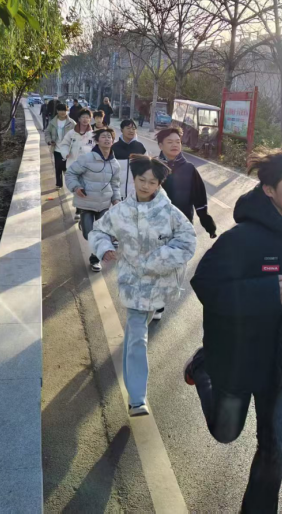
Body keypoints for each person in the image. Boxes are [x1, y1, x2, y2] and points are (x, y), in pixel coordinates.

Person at [185, 145, 282, 513]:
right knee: (226, 432)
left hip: (281, 362)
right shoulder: (241, 239)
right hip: (237, 359)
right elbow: (204, 284)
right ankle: (202, 367)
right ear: (270, 189)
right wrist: (263, 292)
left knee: (275, 449)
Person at [89, 155, 196, 416]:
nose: (146, 186)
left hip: (159, 284)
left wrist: (155, 261)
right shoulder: (121, 211)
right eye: (141, 180)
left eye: (152, 182)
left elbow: (188, 242)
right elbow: (98, 231)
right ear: (134, 179)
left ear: (159, 184)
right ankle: (137, 399)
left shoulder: (170, 213)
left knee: (136, 332)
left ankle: (135, 391)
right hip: (132, 282)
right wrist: (104, 248)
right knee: (137, 335)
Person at [153, 126, 216, 322]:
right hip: (156, 225)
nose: (175, 145)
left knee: (174, 266)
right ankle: (157, 301)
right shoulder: (152, 167)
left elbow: (200, 199)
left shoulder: (189, 169)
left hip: (182, 226)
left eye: (178, 142)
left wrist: (207, 223)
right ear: (160, 145)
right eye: (170, 142)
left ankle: (162, 293)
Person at [65, 127, 121, 271]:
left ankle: (95, 259)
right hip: (86, 203)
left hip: (104, 205)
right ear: (97, 141)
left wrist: (116, 200)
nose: (107, 139)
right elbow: (71, 173)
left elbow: (115, 184)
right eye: (103, 137)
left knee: (101, 235)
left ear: (113, 141)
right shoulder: (86, 158)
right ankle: (84, 225)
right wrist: (76, 187)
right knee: (88, 234)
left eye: (109, 137)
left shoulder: (115, 164)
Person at [59, 109, 95, 221]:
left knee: (86, 187)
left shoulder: (93, 135)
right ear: (79, 119)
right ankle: (79, 209)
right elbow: (64, 145)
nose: (85, 119)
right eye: (83, 117)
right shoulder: (71, 133)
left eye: (87, 117)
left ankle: (82, 210)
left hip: (88, 166)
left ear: (90, 119)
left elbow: (97, 148)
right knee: (77, 187)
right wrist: (65, 153)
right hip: (73, 165)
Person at [112, 119, 147, 200]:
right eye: (128, 128)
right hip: (117, 194)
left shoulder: (140, 147)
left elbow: (147, 169)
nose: (131, 131)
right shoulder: (114, 148)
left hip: (135, 194)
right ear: (121, 130)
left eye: (133, 128)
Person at [44, 103, 75, 188]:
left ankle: (70, 184)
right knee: (58, 167)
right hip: (57, 148)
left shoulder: (72, 123)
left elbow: (77, 134)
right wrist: (49, 141)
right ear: (57, 111)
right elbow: (47, 132)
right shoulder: (53, 122)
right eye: (60, 110)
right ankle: (59, 184)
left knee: (67, 167)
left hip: (68, 149)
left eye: (64, 110)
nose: (62, 112)